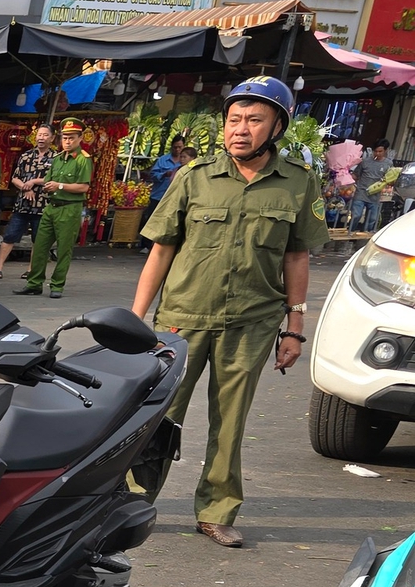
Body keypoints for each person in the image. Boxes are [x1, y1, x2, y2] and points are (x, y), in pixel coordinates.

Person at [131, 76, 328, 548]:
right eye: (234, 119)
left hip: (253, 322)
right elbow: (161, 250)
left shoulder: (298, 185)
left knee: (231, 418)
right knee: (159, 415)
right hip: (182, 317)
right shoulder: (194, 177)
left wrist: (294, 328)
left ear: (277, 126)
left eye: (255, 120)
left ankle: (216, 509)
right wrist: (135, 320)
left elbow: (296, 257)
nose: (241, 129)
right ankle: (133, 500)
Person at [16, 118, 92, 299]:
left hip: (69, 209)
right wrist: (41, 185)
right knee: (40, 246)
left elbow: (83, 187)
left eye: (71, 138)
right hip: (51, 207)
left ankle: (57, 285)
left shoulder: (83, 160)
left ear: (80, 138)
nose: (67, 141)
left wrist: (59, 186)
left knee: (64, 249)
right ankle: (34, 283)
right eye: (65, 138)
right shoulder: (57, 159)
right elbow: (47, 180)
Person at [0, 125, 53, 280]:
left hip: (42, 206)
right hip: (22, 205)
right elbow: (15, 177)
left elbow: (54, 180)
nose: (41, 138)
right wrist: (25, 188)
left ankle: (30, 269)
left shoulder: (57, 158)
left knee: (38, 239)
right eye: (39, 135)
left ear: (52, 138)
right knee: (10, 235)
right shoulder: (26, 155)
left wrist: (34, 181)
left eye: (45, 135)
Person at [142, 137, 192, 240]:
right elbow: (152, 175)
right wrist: (164, 174)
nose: (177, 150)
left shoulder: (186, 162)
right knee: (152, 220)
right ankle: (146, 244)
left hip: (175, 198)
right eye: (175, 147)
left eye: (180, 147)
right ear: (171, 147)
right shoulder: (162, 160)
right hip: (158, 195)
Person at [353, 144, 390, 234]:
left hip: (375, 195)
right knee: (356, 215)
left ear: (385, 151)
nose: (377, 153)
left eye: (380, 151)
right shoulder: (365, 162)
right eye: (375, 151)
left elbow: (389, 178)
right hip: (361, 193)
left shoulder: (388, 164)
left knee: (372, 219)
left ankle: (364, 236)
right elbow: (355, 175)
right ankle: (350, 231)